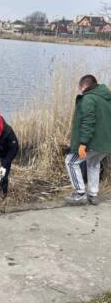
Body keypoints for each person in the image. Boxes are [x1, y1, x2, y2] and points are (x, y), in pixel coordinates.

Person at [65, 74, 111, 205]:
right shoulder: (107, 98)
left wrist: (83, 144)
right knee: (93, 164)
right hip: (106, 144)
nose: (79, 89)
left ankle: (79, 193)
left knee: (70, 162)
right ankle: (93, 194)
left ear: (85, 86)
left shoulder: (88, 99)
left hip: (92, 143)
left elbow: (88, 122)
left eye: (80, 87)